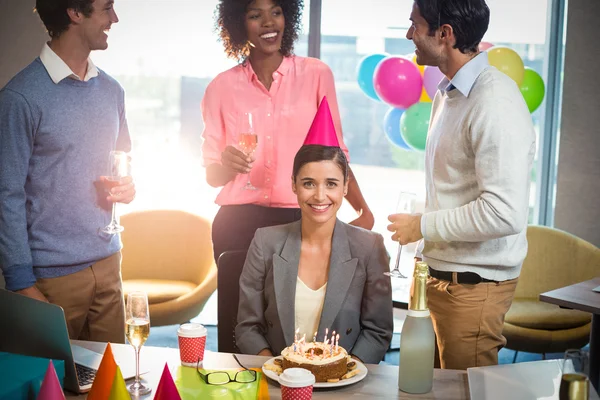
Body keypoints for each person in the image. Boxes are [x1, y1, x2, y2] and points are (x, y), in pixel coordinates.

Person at [387, 0, 536, 370]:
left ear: (445, 33)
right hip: (440, 278)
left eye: (415, 26)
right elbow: (458, 191)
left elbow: (503, 213)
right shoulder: (447, 93)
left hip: (471, 288)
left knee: (466, 394)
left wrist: (422, 225)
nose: (410, 35)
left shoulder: (494, 100)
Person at [0, 0, 135, 343]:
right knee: (52, 391)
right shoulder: (20, 97)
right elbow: (6, 194)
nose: (114, 18)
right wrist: (20, 281)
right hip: (51, 278)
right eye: (106, 8)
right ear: (75, 13)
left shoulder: (112, 91)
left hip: (108, 264)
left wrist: (127, 188)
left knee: (110, 386)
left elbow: (123, 161)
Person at [203, 0, 374, 264]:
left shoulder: (317, 74)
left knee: (298, 306)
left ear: (288, 17)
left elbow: (335, 155)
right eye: (255, 15)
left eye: (276, 12)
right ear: (239, 23)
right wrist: (227, 165)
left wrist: (362, 208)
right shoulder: (220, 87)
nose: (269, 22)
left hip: (300, 219)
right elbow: (212, 175)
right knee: (238, 306)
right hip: (236, 224)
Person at [235, 142, 393, 364]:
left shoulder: (370, 246)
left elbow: (378, 331)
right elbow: (247, 327)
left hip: (344, 381)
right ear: (294, 185)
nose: (320, 196)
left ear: (345, 187)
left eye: (331, 184)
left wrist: (342, 373)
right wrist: (276, 370)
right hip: (278, 377)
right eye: (309, 183)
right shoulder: (265, 242)